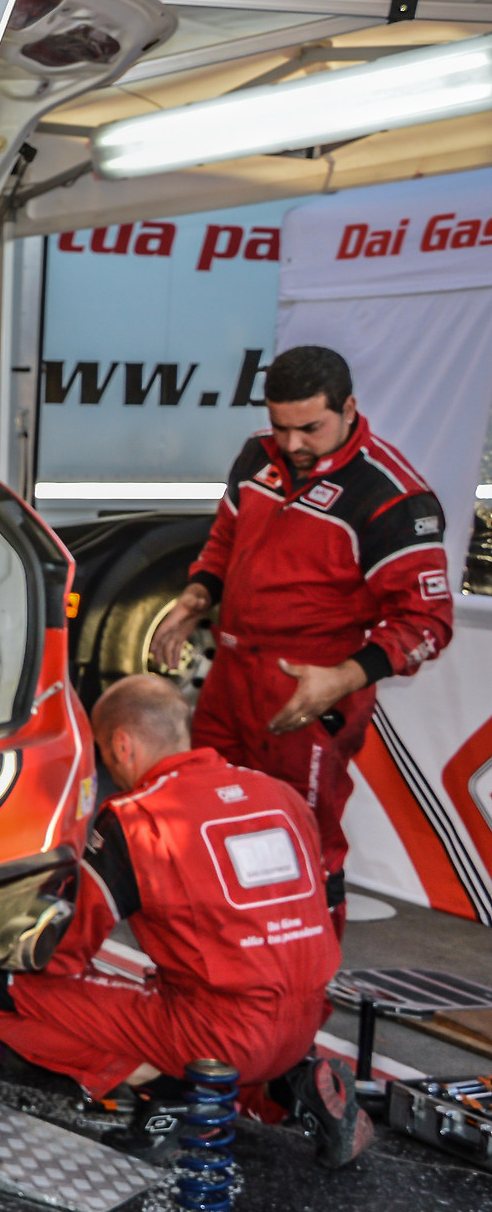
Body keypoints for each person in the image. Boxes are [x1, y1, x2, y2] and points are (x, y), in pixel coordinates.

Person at [0, 676, 370, 1166]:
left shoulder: (139, 820)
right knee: (184, 984)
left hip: (217, 1035)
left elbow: (65, 952)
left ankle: (169, 1094)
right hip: (306, 1022)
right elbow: (324, 907)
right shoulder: (280, 796)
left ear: (121, 744)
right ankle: (295, 1083)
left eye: (106, 753)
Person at [148, 345, 453, 931]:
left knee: (299, 837)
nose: (292, 445)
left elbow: (428, 622)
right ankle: (222, 944)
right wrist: (195, 598)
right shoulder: (257, 456)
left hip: (310, 688)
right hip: (231, 674)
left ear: (349, 408)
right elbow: (225, 538)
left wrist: (343, 677)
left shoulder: (392, 495)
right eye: (280, 426)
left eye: (310, 428)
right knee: (208, 808)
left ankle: (307, 986)